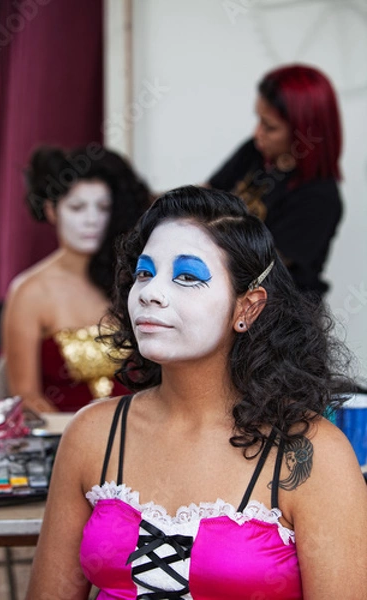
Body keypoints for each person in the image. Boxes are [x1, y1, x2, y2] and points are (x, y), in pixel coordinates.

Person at [26, 185, 366, 599]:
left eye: (187, 276)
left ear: (248, 307)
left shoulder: (312, 453)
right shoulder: (93, 434)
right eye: (145, 272)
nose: (151, 292)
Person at [2, 145, 149, 413]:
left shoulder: (135, 281)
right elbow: (26, 398)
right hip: (62, 441)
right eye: (77, 207)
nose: (92, 220)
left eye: (103, 208)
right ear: (51, 210)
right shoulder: (29, 292)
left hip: (141, 436)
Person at [206, 63, 343, 300]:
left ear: (305, 134)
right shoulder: (255, 153)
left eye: (270, 127)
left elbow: (258, 268)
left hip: (278, 320)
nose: (257, 134)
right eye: (259, 120)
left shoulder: (319, 199)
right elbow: (204, 198)